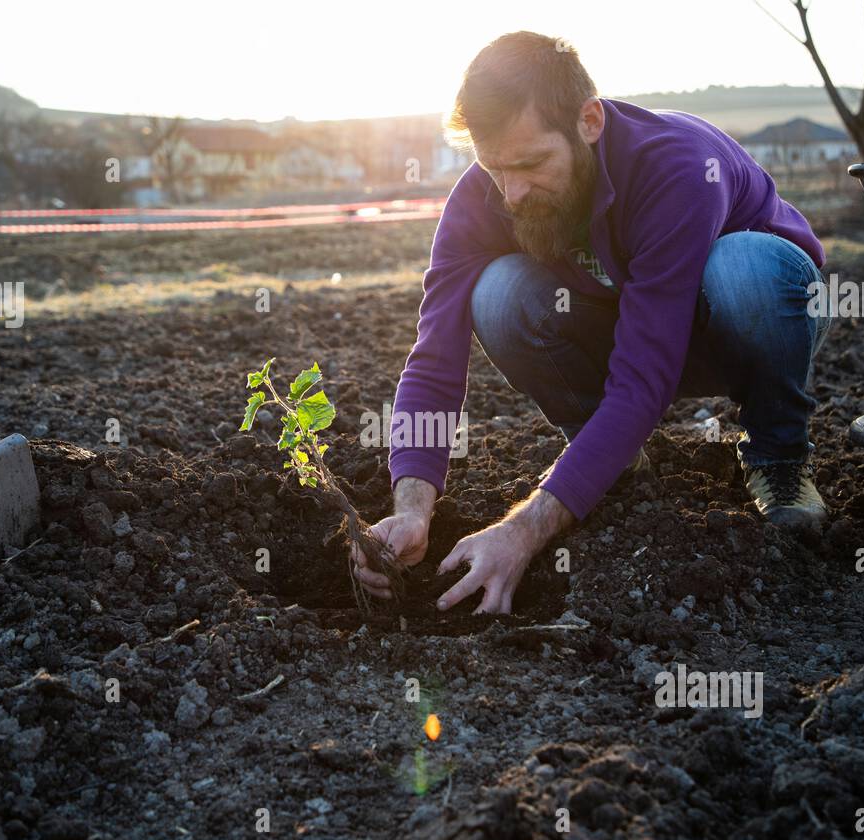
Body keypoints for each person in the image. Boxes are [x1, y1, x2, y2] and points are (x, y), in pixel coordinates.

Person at [354, 31, 833, 614]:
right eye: (494, 167)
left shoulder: (677, 167)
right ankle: (608, 459)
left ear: (588, 121)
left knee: (744, 271)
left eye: (531, 163)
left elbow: (644, 378)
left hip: (752, 320)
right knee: (500, 295)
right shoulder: (487, 195)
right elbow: (434, 358)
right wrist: (412, 506)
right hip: (628, 325)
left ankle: (779, 457)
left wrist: (525, 530)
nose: (512, 192)